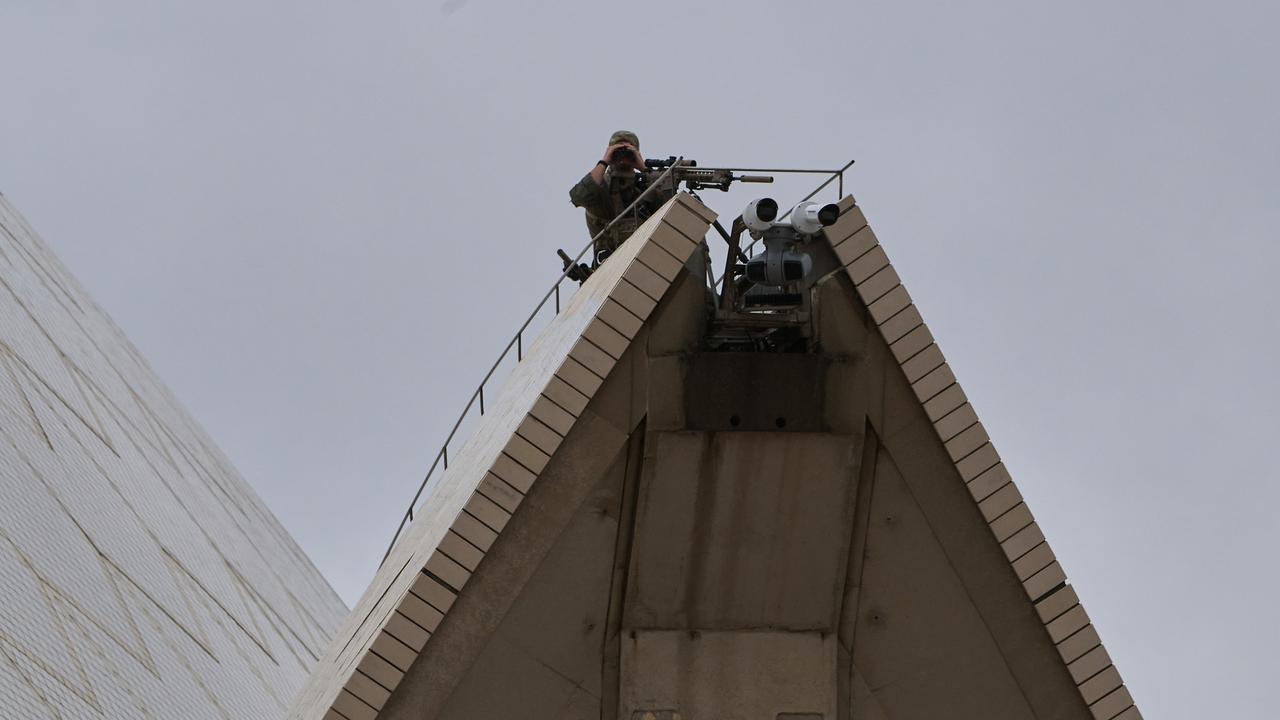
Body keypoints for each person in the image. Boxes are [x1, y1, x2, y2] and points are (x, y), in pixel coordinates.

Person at [569, 131, 677, 265]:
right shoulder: (601, 191)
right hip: (611, 265)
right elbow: (579, 196)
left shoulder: (644, 187)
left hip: (646, 259)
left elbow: (669, 207)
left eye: (628, 151)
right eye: (618, 150)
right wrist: (604, 161)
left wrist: (643, 168)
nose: (623, 155)